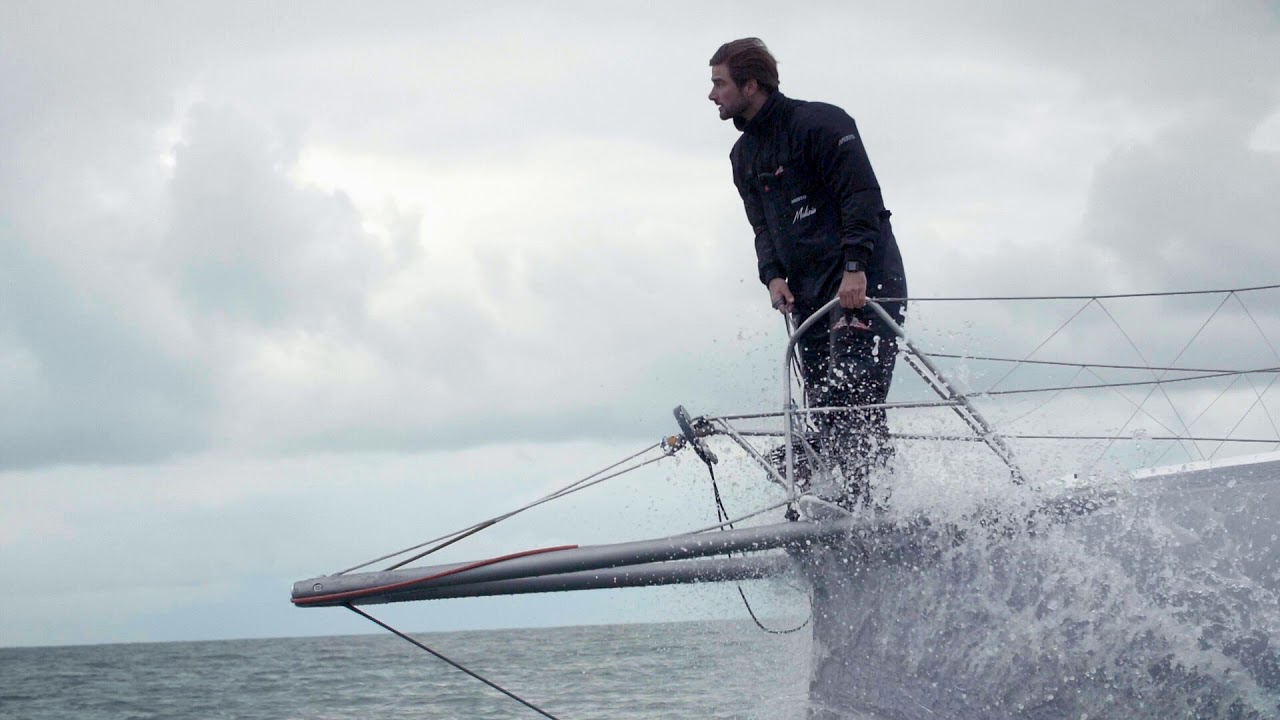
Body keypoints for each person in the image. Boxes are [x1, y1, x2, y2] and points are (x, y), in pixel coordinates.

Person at [709, 38, 908, 509]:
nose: (712, 94)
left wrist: (855, 268)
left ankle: (875, 507)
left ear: (750, 84)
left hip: (863, 282)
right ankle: (844, 506)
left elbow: (862, 198)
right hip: (809, 295)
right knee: (824, 405)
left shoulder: (821, 124)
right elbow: (762, 226)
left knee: (851, 396)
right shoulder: (743, 157)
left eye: (719, 83)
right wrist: (772, 276)